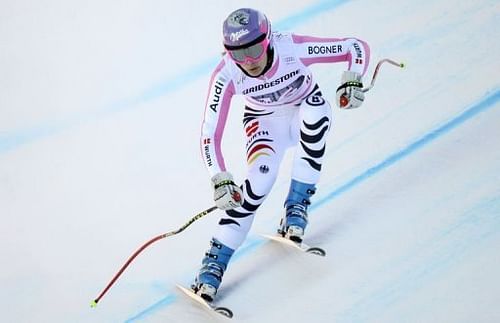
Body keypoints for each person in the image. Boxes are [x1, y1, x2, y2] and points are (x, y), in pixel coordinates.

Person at [192, 8, 370, 301]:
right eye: (238, 53)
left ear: (269, 38)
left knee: (314, 116)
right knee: (257, 183)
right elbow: (209, 132)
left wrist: (353, 78)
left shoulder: (292, 47)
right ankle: (214, 264)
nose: (248, 60)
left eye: (254, 48)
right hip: (264, 122)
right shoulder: (226, 74)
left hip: (303, 107)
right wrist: (219, 178)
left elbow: (355, 47)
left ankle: (296, 208)